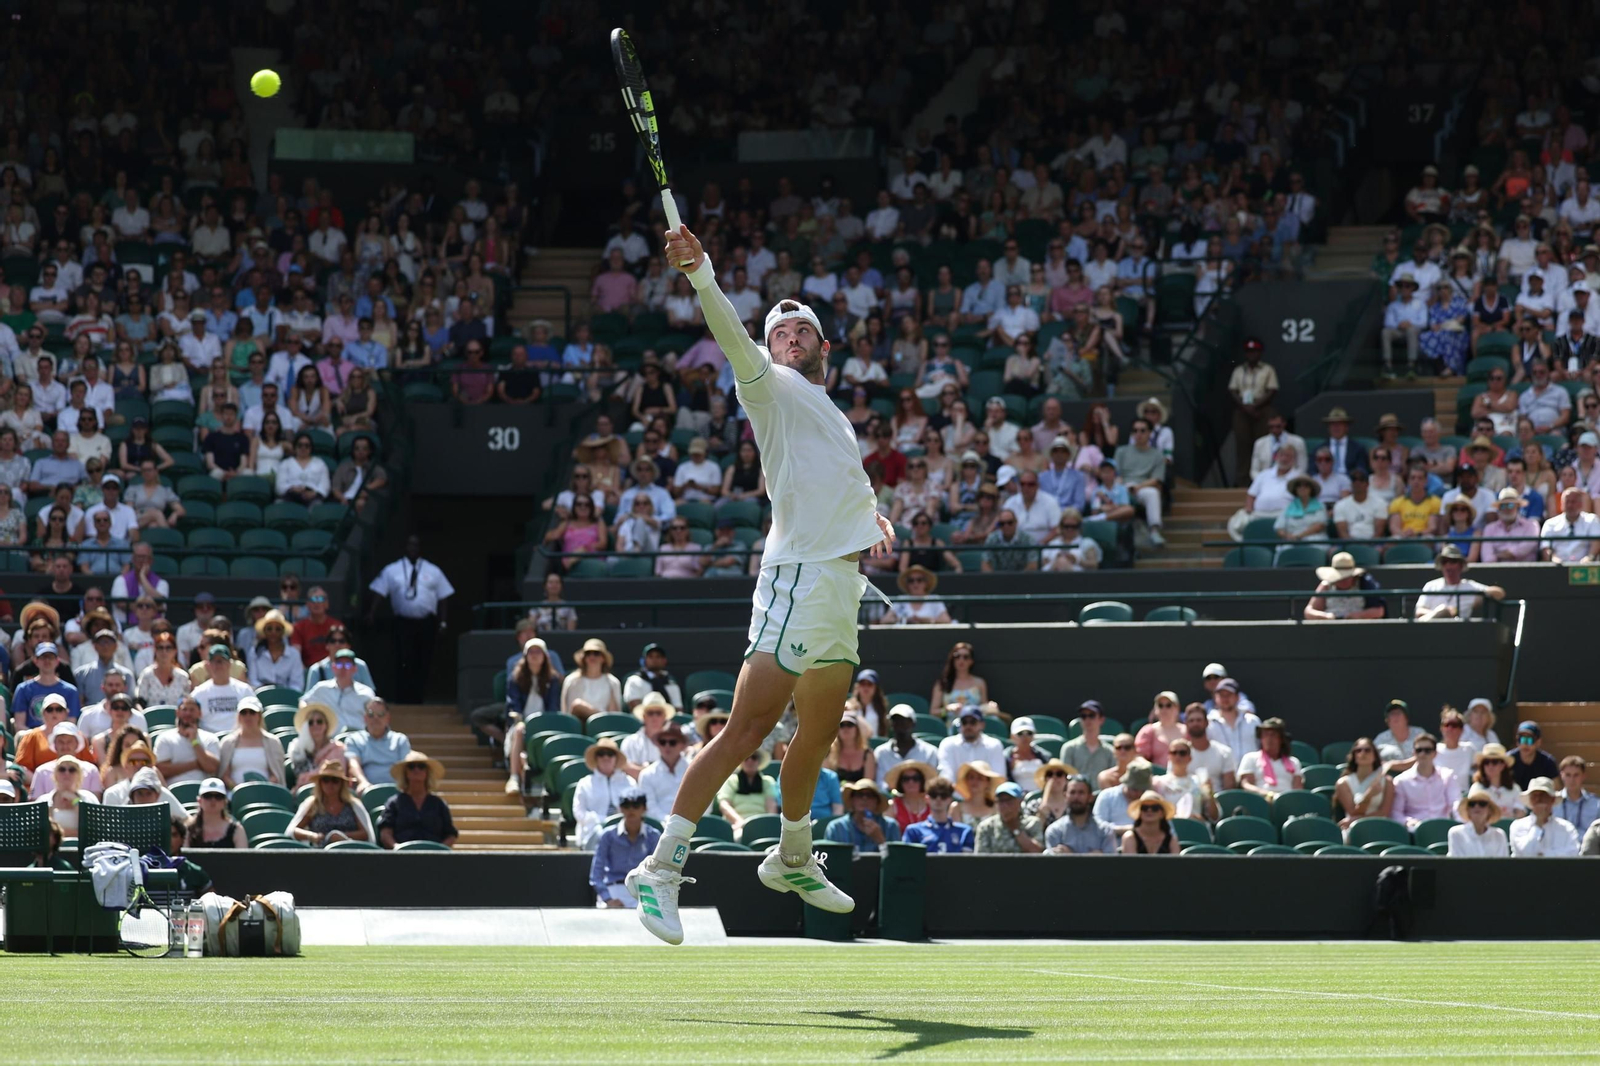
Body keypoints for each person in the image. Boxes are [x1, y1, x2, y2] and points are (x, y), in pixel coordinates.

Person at [367, 534, 454, 703]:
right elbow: (378, 592)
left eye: (416, 545)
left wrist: (443, 622)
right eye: (410, 545)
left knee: (423, 661)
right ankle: (403, 699)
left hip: (426, 624)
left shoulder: (433, 570)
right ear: (405, 547)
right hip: (402, 623)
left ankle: (419, 699)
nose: (413, 548)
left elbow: (444, 597)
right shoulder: (392, 570)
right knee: (403, 660)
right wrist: (371, 612)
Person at [590, 788, 661, 907]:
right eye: (626, 805)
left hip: (643, 891)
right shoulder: (607, 836)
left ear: (644, 808)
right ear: (620, 808)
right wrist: (608, 899)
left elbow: (658, 872)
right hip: (613, 888)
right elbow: (596, 873)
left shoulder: (654, 836)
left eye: (636, 805)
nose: (631, 810)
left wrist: (649, 899)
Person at [377, 751, 456, 849]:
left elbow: (451, 834)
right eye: (411, 766)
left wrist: (439, 850)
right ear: (406, 773)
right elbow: (385, 832)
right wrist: (396, 847)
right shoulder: (394, 803)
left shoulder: (438, 804)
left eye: (421, 766)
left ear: (427, 772)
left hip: (433, 857)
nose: (416, 770)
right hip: (402, 857)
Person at [289, 759, 375, 847]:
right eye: (326, 780)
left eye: (335, 780)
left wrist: (342, 837)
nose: (330, 784)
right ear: (320, 783)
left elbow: (365, 834)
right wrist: (312, 836)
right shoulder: (313, 804)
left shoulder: (353, 805)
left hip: (349, 853)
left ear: (342, 784)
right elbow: (293, 830)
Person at [1415, 544, 1506, 620]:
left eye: (1452, 562)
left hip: (1459, 630)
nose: (1448, 566)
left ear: (1461, 565)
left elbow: (1499, 593)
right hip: (1430, 629)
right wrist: (1442, 612)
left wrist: (1479, 598)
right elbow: (1419, 612)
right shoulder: (1431, 585)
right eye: (1444, 562)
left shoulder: (1470, 586)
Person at [344, 698, 411, 796]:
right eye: (371, 714)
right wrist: (363, 782)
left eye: (380, 714)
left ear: (388, 718)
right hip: (366, 790)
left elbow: (406, 766)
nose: (376, 718)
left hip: (397, 791)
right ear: (365, 718)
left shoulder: (400, 739)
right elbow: (353, 764)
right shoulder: (354, 739)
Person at [216, 696, 287, 788]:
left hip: (266, 793)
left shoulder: (273, 742)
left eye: (252, 712)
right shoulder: (227, 742)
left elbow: (277, 774)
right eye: (243, 712)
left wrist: (262, 788)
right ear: (238, 716)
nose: (248, 716)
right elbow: (224, 775)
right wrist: (238, 788)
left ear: (259, 716)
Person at [1389, 733, 1456, 830]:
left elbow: (1455, 805)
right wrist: (1408, 822)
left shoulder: (1448, 776)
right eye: (1419, 750)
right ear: (1414, 753)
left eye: (1427, 750)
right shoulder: (1401, 781)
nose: (1422, 754)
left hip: (1443, 829)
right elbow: (1396, 813)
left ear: (1435, 754)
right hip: (1415, 832)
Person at [300, 649, 377, 732]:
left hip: (358, 741)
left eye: (348, 665)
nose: (343, 668)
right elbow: (304, 701)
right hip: (329, 741)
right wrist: (309, 715)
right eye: (339, 664)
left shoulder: (366, 693)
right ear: (333, 667)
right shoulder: (322, 688)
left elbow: (376, 717)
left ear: (355, 669)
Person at [152, 694, 221, 787]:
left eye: (192, 710)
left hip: (205, 794)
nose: (188, 713)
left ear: (200, 713)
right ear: (177, 712)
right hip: (174, 793)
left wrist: (194, 742)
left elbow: (212, 768)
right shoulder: (165, 738)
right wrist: (195, 764)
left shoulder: (210, 738)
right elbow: (161, 770)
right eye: (184, 709)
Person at [190, 643, 256, 734]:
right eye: (214, 661)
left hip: (238, 739)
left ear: (229, 664)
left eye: (221, 661)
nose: (218, 665)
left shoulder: (244, 690)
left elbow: (256, 717)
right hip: (209, 741)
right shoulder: (198, 693)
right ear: (208, 665)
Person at [1044, 775, 1119, 854]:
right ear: (1065, 796)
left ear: (1090, 797)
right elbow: (1052, 864)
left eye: (1081, 793)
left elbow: (1111, 864)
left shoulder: (1105, 832)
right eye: (1072, 792)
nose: (1076, 797)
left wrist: (1069, 856)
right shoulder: (1055, 831)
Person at [1509, 777, 1581, 857]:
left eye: (1543, 796)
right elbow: (1526, 853)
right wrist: (1538, 823)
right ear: (1530, 800)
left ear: (1552, 800)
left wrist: (1544, 854)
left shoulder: (1567, 827)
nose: (1538, 800)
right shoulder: (1518, 826)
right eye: (1534, 796)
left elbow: (1573, 853)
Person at [823, 778, 901, 852]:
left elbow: (897, 861)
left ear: (877, 802)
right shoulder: (837, 827)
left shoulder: (890, 826)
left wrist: (880, 839)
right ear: (852, 800)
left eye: (870, 795)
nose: (864, 799)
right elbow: (829, 860)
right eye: (859, 795)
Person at [873, 704, 940, 788]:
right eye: (895, 721)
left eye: (904, 721)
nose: (900, 725)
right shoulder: (881, 753)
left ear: (913, 724)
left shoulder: (930, 752)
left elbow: (931, 783)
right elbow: (880, 784)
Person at [1304, 551, 1386, 619]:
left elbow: (1379, 611)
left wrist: (1358, 615)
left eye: (1346, 577)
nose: (1343, 580)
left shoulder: (1365, 583)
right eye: (1339, 577)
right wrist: (1326, 617)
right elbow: (1309, 612)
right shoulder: (1326, 585)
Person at [936, 705, 1008, 781]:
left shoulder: (994, 745)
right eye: (964, 722)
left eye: (972, 722)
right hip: (955, 792)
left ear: (982, 725)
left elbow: (998, 778)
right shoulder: (947, 744)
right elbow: (947, 777)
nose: (968, 726)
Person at [1333, 738, 1394, 828]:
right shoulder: (1343, 783)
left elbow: (1384, 813)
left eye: (1367, 750)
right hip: (1354, 828)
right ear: (1354, 755)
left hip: (1380, 827)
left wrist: (1355, 819)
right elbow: (1354, 813)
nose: (1363, 753)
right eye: (1358, 750)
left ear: (1375, 755)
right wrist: (1368, 796)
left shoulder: (1387, 781)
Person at [1237, 718, 1301, 799]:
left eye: (1273, 735)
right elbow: (1246, 785)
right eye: (1265, 735)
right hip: (1260, 801)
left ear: (1281, 739)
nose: (1269, 739)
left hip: (1288, 802)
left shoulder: (1294, 762)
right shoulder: (1250, 758)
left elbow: (1298, 788)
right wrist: (1268, 795)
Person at [561, 638, 622, 721]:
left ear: (603, 658)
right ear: (584, 658)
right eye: (588, 653)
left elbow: (615, 715)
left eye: (596, 653)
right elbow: (569, 712)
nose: (591, 656)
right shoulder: (572, 681)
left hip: (604, 728)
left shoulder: (613, 682)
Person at [181, 777, 247, 849]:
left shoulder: (237, 830)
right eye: (207, 796)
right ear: (199, 800)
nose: (213, 800)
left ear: (225, 802)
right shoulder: (188, 829)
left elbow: (243, 859)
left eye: (218, 796)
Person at [1091, 759, 1153, 834]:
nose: (1138, 793)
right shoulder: (1107, 796)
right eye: (1135, 789)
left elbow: (1166, 829)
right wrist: (1125, 830)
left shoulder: (1152, 800)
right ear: (1126, 783)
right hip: (1111, 843)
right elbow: (1097, 825)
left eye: (1142, 790)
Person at [621, 642, 684, 714]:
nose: (654, 659)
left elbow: (678, 711)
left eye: (658, 656)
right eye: (650, 656)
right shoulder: (634, 681)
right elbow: (635, 708)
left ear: (664, 660)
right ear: (644, 660)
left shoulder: (672, 684)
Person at [246, 609, 303, 688]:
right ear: (264, 631)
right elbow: (253, 681)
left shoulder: (294, 654)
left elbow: (297, 684)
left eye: (278, 629)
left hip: (287, 697)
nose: (273, 632)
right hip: (260, 696)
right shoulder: (254, 652)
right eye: (269, 629)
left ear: (283, 632)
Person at [1120, 790, 1181, 854]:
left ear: (1162, 813)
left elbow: (1176, 863)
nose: (1149, 810)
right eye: (1145, 808)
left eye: (1155, 808)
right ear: (1140, 813)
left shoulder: (1171, 840)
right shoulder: (1130, 837)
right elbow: (1130, 863)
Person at [1510, 720, 1560, 789]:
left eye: (1530, 740)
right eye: (1522, 739)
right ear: (1517, 741)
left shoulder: (1548, 762)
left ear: (1538, 742)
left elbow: (1556, 788)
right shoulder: (1509, 760)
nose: (1525, 744)